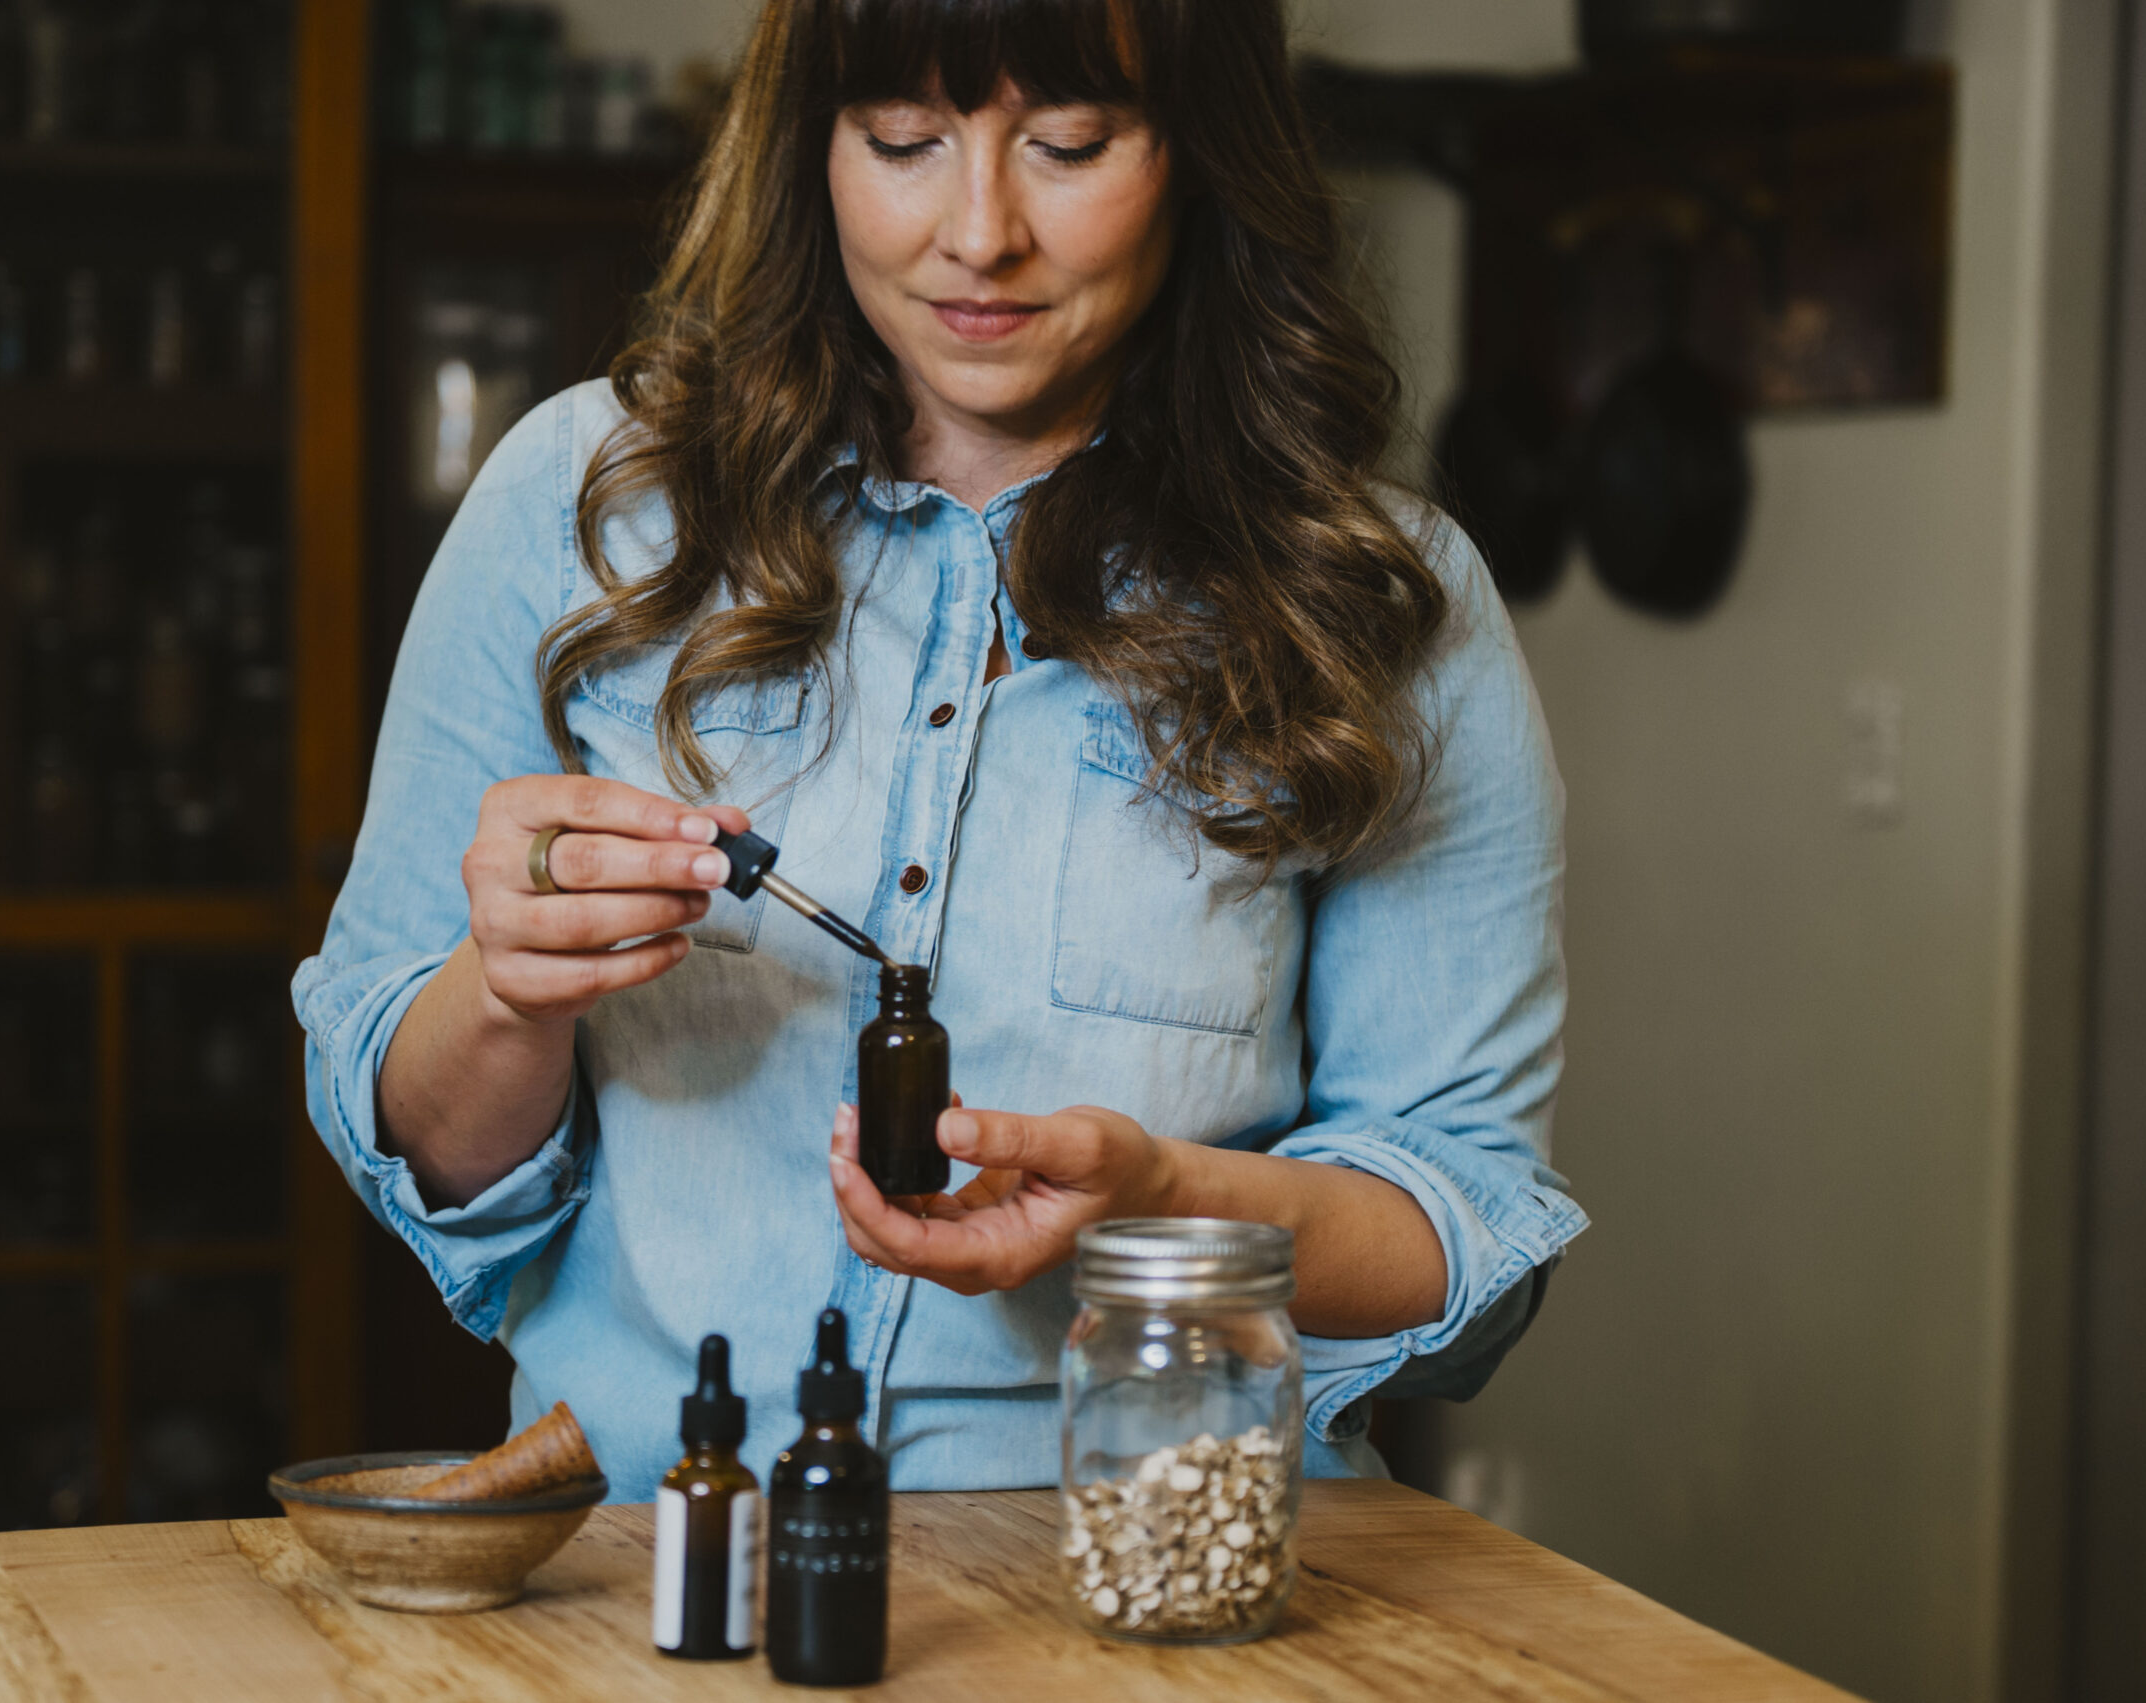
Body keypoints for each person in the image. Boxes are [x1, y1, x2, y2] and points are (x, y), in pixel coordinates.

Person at [295, 0, 1585, 1501]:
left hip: (1146, 1585)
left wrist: (1161, 1207)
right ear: (811, 149)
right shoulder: (579, 508)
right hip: (652, 1570)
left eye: (1068, 144)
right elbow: (415, 1151)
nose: (979, 232)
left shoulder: (1380, 607)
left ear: (1203, 154)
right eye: (903, 140)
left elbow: (1468, 1240)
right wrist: (506, 992)